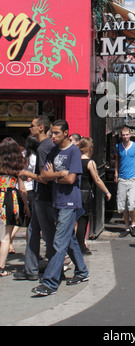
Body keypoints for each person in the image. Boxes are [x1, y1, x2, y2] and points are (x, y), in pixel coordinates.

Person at [32, 119, 89, 296]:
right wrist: (58, 175)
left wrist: (53, 176)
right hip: (57, 201)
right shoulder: (53, 151)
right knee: (69, 239)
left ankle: (50, 283)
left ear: (66, 133)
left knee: (59, 242)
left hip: (69, 202)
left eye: (56, 133)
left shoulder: (73, 151)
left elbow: (71, 179)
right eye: (52, 133)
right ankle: (82, 272)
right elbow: (43, 174)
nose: (52, 136)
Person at [14, 116, 56, 281]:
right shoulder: (45, 147)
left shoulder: (43, 148)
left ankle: (52, 267)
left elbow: (45, 177)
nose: (29, 128)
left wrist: (28, 174)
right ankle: (32, 269)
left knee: (46, 233)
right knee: (34, 231)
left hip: (43, 196)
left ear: (41, 128)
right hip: (43, 196)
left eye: (32, 125)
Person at [0, 137, 30, 277]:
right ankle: (1, 267)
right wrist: (26, 205)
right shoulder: (17, 166)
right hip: (10, 199)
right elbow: (23, 189)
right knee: (5, 237)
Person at [77, 137, 111, 254]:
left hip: (75, 192)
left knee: (76, 220)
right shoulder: (90, 162)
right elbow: (97, 179)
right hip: (85, 193)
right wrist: (107, 191)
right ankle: (80, 246)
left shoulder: (76, 160)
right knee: (83, 220)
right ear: (90, 149)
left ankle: (79, 244)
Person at [114, 127, 135, 238]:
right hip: (122, 177)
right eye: (123, 135)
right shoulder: (118, 147)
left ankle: (133, 223)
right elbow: (117, 160)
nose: (125, 137)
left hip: (132, 177)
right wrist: (116, 173)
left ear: (130, 134)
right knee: (122, 204)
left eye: (127, 134)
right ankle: (127, 226)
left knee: (132, 202)